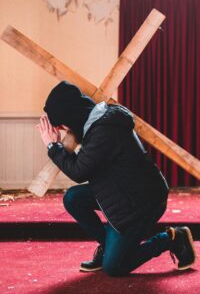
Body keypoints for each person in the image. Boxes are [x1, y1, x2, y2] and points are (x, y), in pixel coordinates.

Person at [36, 81, 196, 277]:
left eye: (62, 125)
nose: (63, 129)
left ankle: (172, 238)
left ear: (72, 116)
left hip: (141, 203)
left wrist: (53, 147)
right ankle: (107, 245)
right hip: (122, 191)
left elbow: (79, 171)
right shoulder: (98, 120)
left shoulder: (104, 130)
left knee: (114, 267)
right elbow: (86, 163)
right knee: (73, 198)